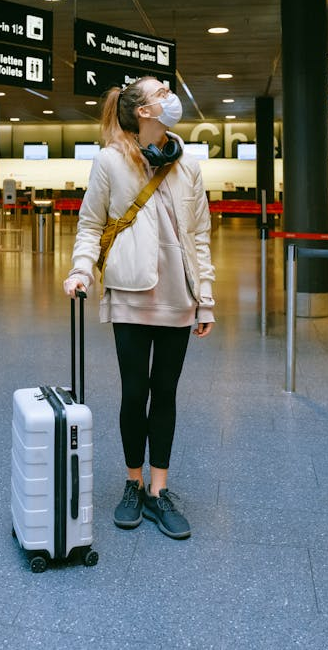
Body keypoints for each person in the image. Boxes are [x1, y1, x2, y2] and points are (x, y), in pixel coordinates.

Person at [63, 76, 215, 540]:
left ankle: (158, 489)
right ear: (144, 111)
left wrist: (204, 298)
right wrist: (81, 269)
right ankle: (133, 481)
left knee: (164, 392)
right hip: (130, 292)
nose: (171, 98)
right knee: (134, 391)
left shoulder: (187, 166)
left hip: (178, 295)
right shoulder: (110, 162)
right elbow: (91, 224)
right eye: (162, 93)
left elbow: (201, 237)